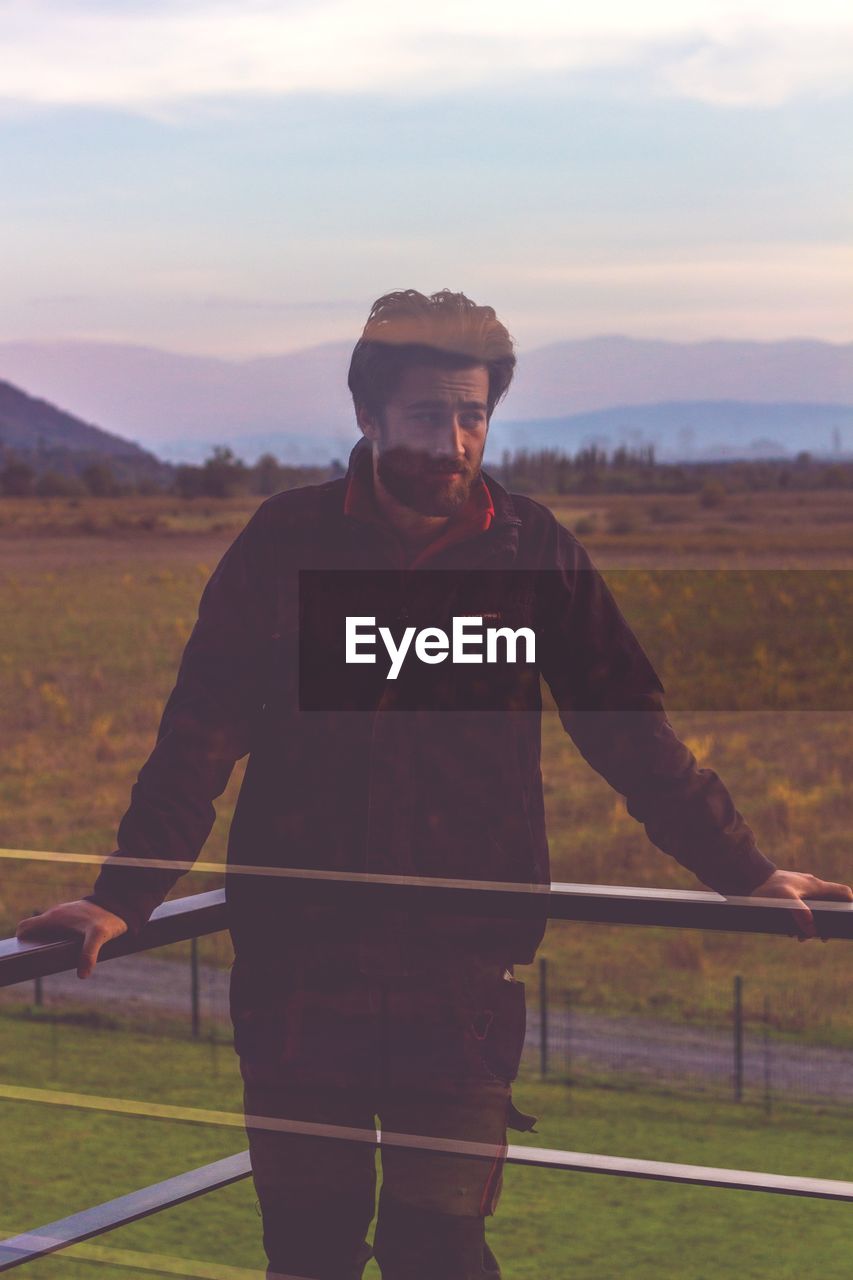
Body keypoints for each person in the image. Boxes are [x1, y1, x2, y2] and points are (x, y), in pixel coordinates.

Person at [17, 289, 852, 1280]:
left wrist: (743, 872)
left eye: (474, 415)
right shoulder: (285, 543)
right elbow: (199, 734)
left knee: (442, 1250)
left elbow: (625, 730)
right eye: (426, 417)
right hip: (296, 981)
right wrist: (123, 894)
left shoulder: (531, 551)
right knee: (309, 1253)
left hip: (459, 985)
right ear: (367, 418)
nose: (455, 442)